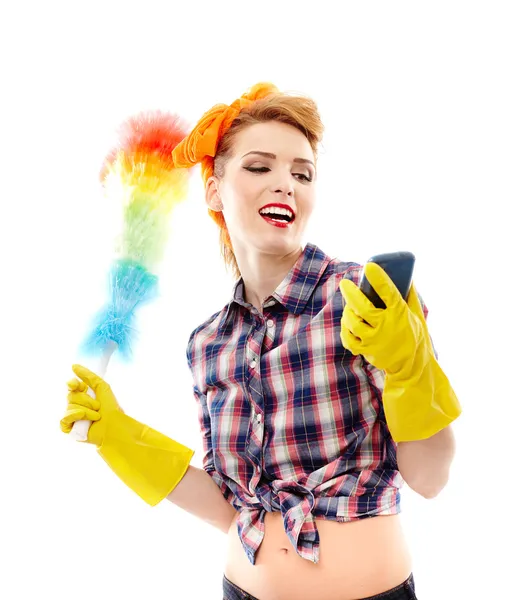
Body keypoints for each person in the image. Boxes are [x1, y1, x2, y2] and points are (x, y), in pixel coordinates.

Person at [60, 82, 462, 600]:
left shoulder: (365, 301)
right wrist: (122, 438)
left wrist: (410, 369)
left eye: (302, 173)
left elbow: (431, 479)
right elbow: (233, 510)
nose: (286, 185)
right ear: (213, 189)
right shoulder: (209, 343)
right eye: (259, 167)